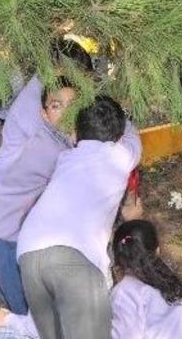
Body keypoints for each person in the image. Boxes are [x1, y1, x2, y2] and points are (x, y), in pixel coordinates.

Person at [16, 96, 142, 339]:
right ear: (117, 139)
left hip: (28, 252)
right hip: (74, 259)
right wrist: (123, 111)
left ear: (76, 134)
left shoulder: (67, 158)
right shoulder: (120, 155)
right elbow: (134, 138)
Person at [0, 220, 182, 339]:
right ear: (158, 251)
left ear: (115, 258)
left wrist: (11, 320)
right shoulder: (175, 292)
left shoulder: (126, 294)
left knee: (5, 335)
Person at [0, 76, 77, 315]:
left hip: (21, 229)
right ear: (43, 113)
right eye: (56, 106)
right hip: (5, 235)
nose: (65, 113)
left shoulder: (52, 137)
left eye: (71, 106)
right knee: (21, 309)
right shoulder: (50, 149)